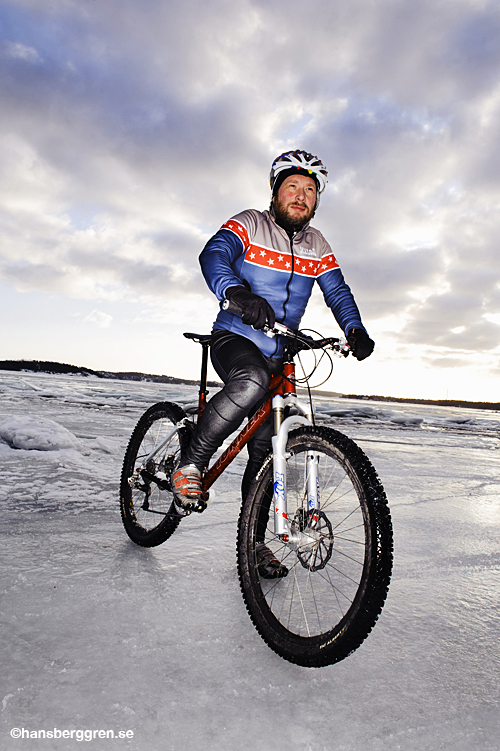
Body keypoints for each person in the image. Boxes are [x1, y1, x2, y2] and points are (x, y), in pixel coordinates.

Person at [172, 150, 374, 576]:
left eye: (310, 190)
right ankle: (192, 461)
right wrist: (236, 293)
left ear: (316, 200)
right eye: (292, 186)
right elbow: (214, 255)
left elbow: (337, 291)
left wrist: (354, 329)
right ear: (275, 191)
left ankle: (255, 543)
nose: (301, 196)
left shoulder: (317, 244)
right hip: (235, 337)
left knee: (266, 452)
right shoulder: (250, 223)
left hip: (281, 352)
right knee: (251, 379)